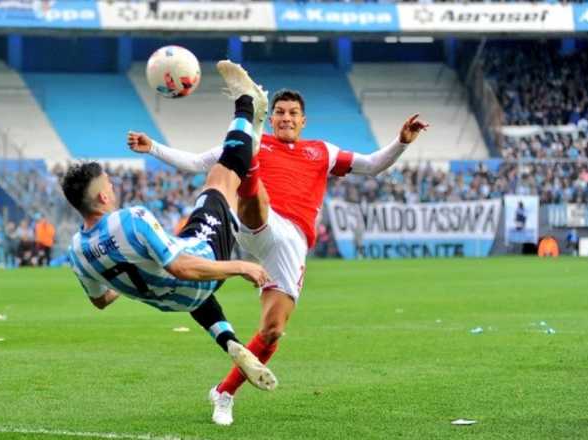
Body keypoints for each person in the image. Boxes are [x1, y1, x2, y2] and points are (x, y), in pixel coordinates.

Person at [130, 88, 429, 425]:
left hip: (292, 241)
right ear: (270, 119)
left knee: (272, 330)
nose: (286, 118)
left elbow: (373, 165)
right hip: (257, 219)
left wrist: (402, 141)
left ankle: (224, 392)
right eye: (280, 112)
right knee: (254, 193)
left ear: (303, 120)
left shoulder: (322, 151)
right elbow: (199, 162)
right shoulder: (259, 145)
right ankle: (251, 169)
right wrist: (152, 147)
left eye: (292, 113)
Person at [64, 61, 278, 396]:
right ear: (104, 195)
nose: (114, 188)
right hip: (200, 268)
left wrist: (136, 279)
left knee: (177, 273)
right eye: (111, 184)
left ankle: (230, 342)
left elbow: (101, 301)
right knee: (220, 179)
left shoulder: (76, 252)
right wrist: (242, 266)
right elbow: (181, 266)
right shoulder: (131, 218)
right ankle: (246, 102)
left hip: (176, 302)